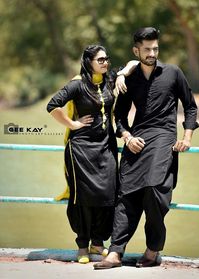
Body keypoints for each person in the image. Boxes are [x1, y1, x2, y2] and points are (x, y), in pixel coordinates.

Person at [94, 27, 199, 269]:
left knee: (154, 189)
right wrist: (127, 136)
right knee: (126, 194)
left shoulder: (173, 73)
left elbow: (190, 106)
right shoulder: (129, 78)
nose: (152, 53)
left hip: (164, 138)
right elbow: (118, 114)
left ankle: (153, 249)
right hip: (137, 139)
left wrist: (187, 137)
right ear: (136, 50)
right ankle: (116, 252)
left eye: (155, 48)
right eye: (147, 49)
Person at [46, 45, 119, 264]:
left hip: (106, 147)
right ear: (88, 62)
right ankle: (82, 245)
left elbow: (132, 65)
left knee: (108, 194)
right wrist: (73, 124)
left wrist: (124, 73)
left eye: (107, 59)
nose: (105, 63)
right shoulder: (77, 84)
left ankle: (98, 242)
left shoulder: (110, 80)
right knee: (82, 198)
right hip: (81, 149)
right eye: (100, 60)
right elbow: (52, 106)